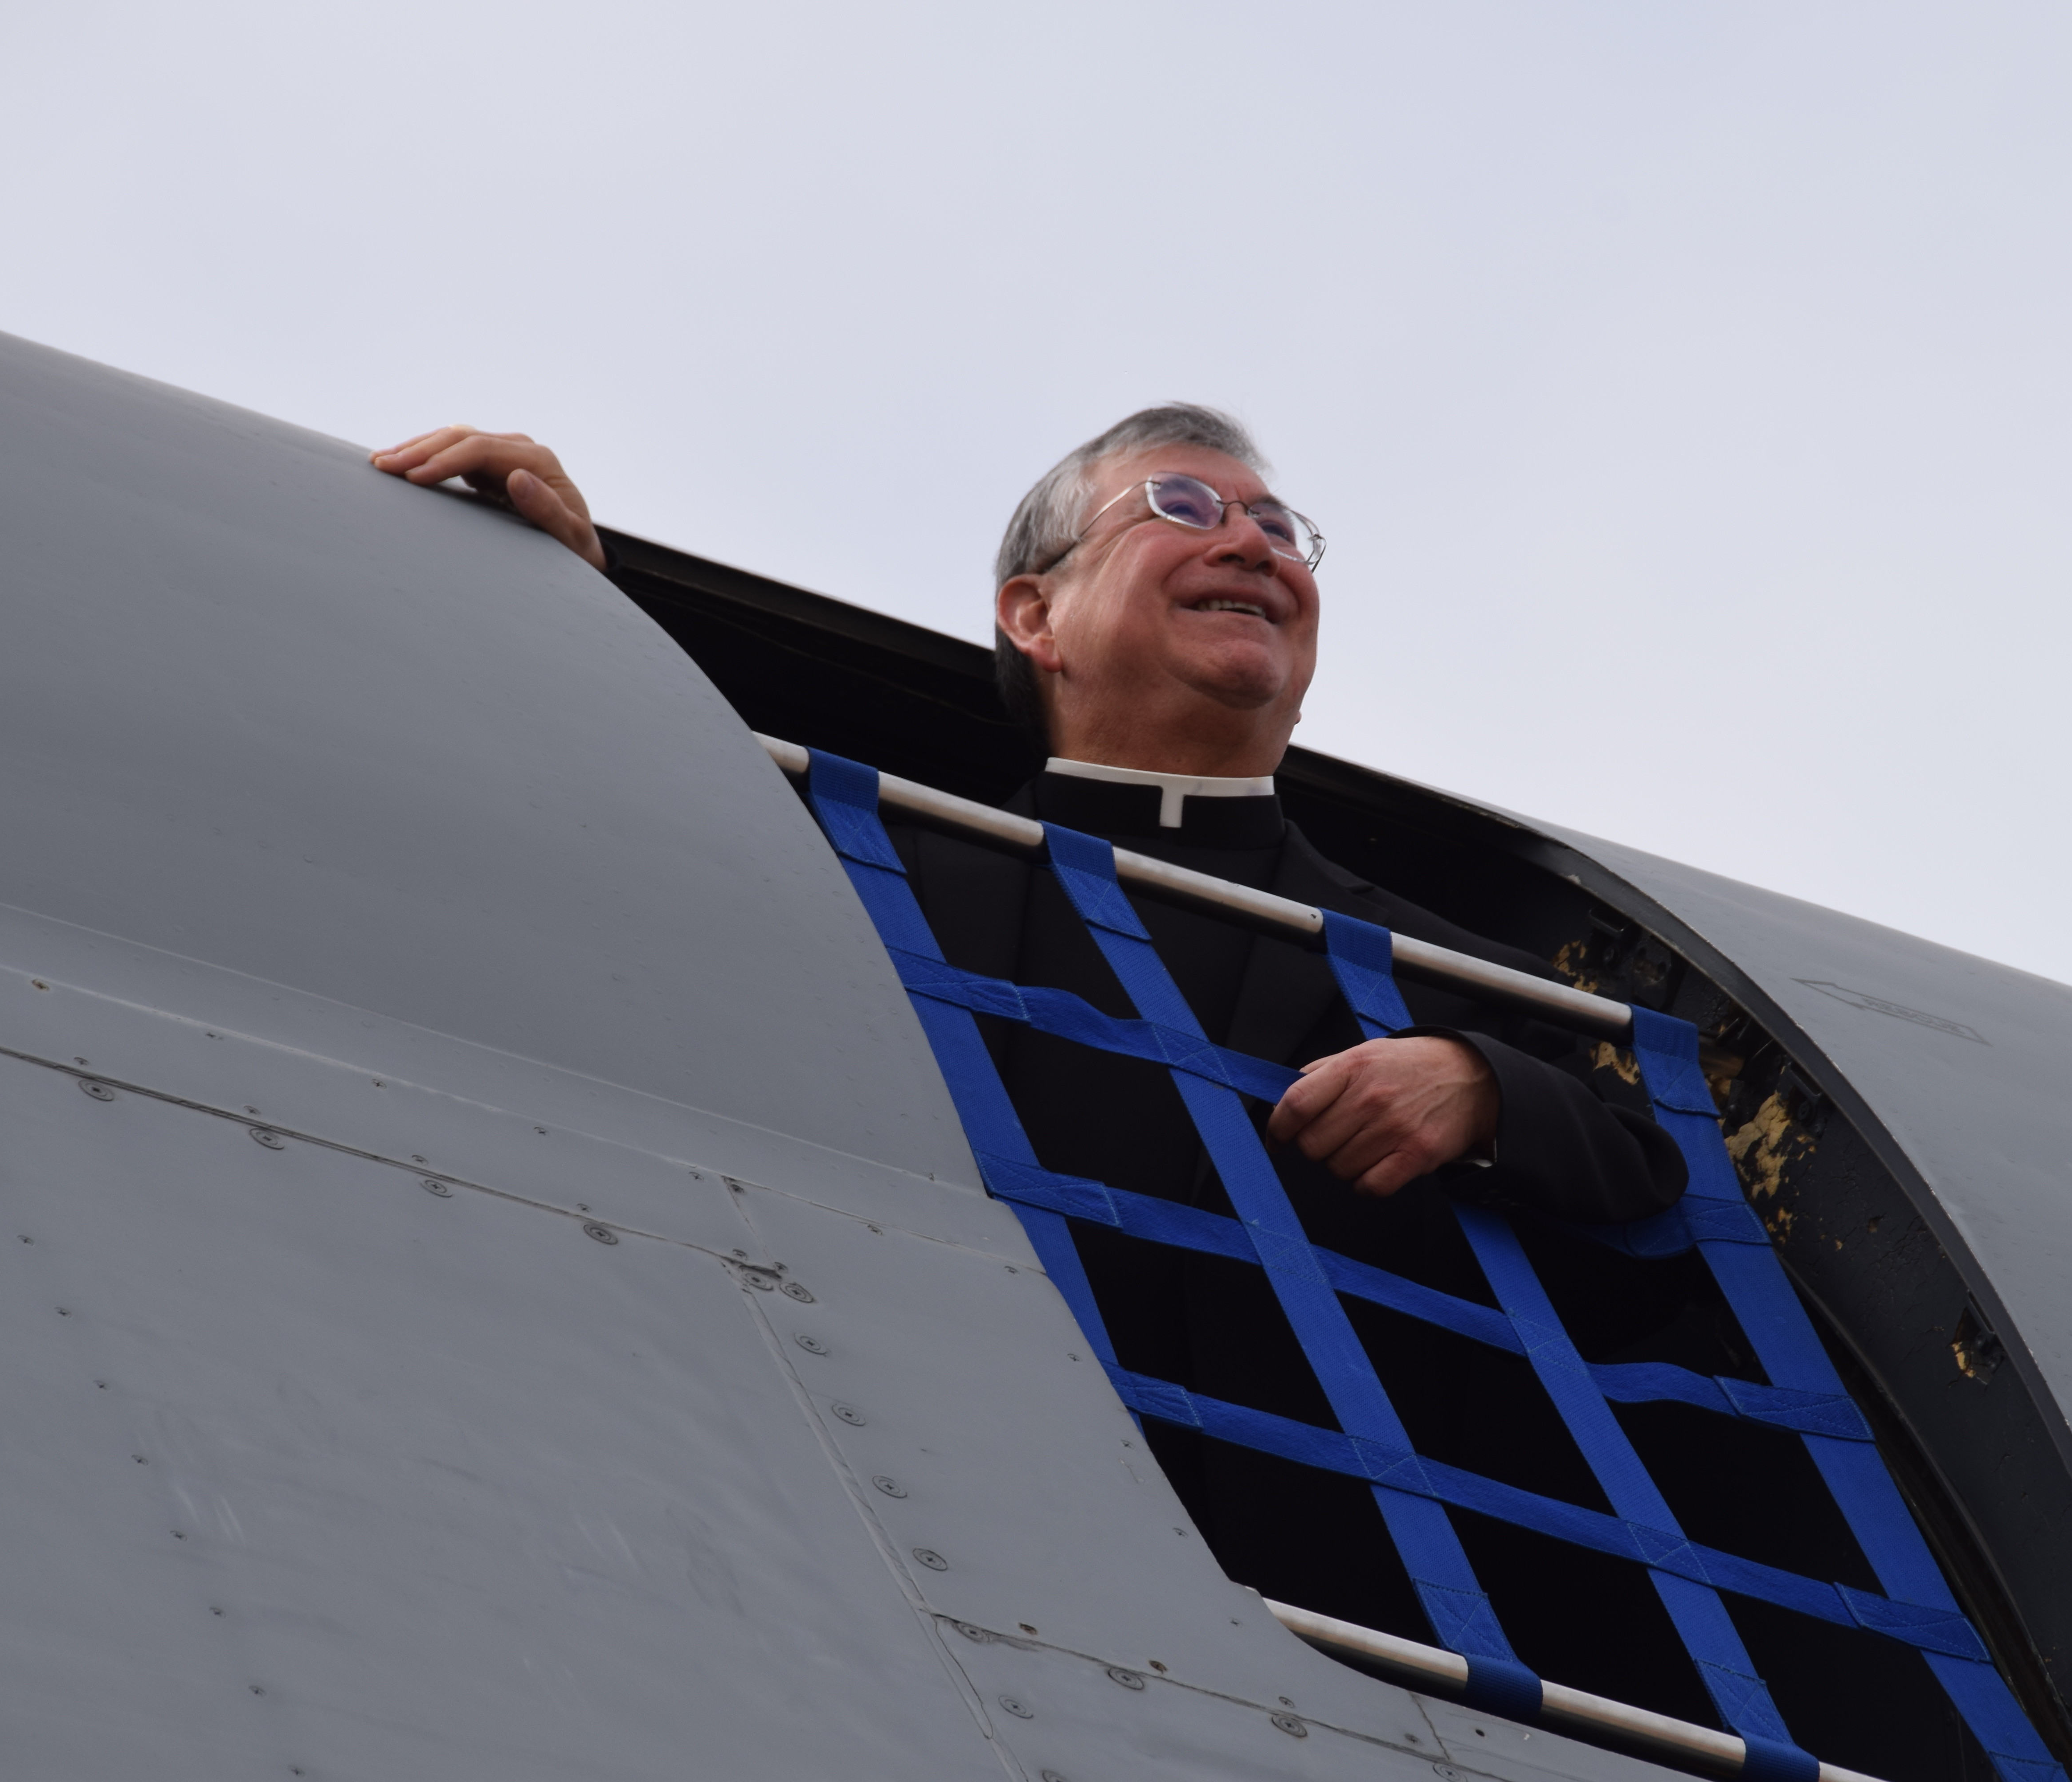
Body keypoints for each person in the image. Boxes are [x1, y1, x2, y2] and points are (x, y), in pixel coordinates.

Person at [371, 408, 1688, 1642]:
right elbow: (613, 880)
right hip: (874, 1534)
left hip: (1316, 1618)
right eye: (1183, 507)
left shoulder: (1453, 971)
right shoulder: (850, 854)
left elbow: (1660, 1173)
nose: (1251, 544)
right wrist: (562, 605)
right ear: (1034, 614)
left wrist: (1485, 1086)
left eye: (1281, 531)